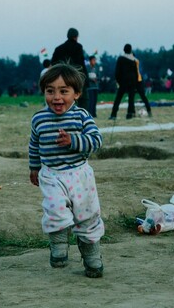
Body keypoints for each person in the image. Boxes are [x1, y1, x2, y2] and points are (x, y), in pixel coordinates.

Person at [29, 63, 104, 278]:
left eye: (64, 91)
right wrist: (34, 167)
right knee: (54, 207)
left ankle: (92, 257)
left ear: (77, 93)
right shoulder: (39, 119)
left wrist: (74, 140)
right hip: (52, 174)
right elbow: (34, 144)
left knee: (88, 217)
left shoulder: (82, 117)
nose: (56, 97)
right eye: (50, 91)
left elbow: (96, 141)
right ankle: (59, 245)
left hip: (80, 176)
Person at [51, 28, 89, 110]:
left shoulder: (59, 49)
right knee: (83, 99)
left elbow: (53, 65)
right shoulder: (78, 47)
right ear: (76, 37)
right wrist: (86, 79)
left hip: (61, 78)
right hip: (76, 77)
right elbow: (81, 64)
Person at [109, 44, 138, 120]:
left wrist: (119, 81)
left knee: (118, 98)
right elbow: (136, 72)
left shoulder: (121, 59)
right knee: (131, 99)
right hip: (132, 81)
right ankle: (130, 114)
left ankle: (114, 114)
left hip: (123, 81)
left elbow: (117, 72)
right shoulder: (134, 60)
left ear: (124, 50)